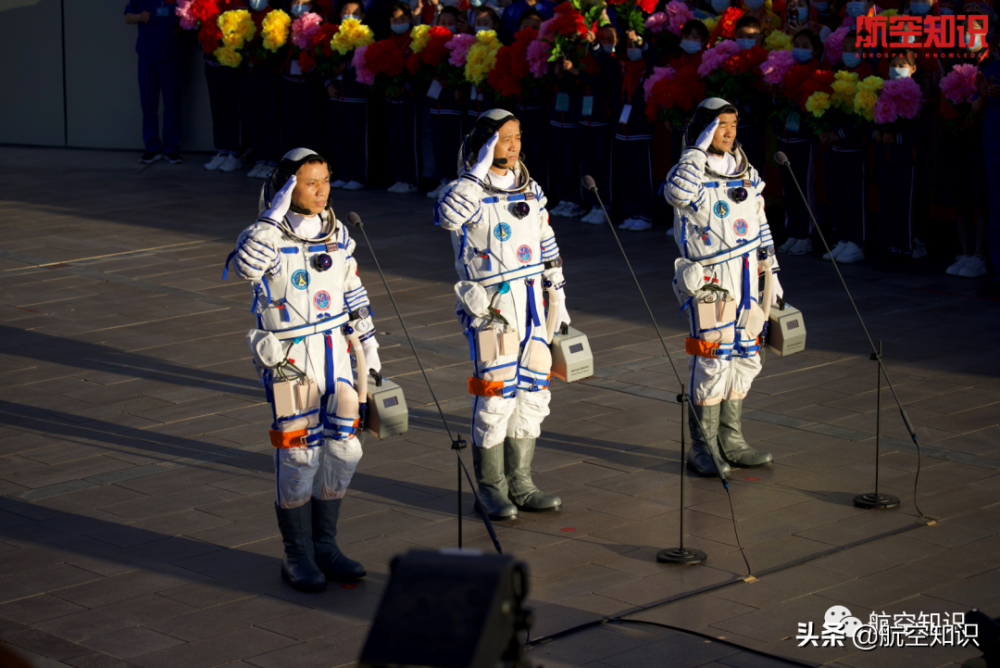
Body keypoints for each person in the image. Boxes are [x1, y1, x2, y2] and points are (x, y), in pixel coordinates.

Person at [227, 148, 381, 592]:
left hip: (336, 350)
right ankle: (296, 553)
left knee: (345, 448)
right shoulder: (267, 236)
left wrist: (370, 352)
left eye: (325, 180)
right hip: (291, 357)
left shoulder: (337, 234)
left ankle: (325, 545)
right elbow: (244, 268)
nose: (321, 191)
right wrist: (272, 219)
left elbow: (353, 292)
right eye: (310, 182)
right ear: (286, 188)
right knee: (298, 454)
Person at [435, 110, 568, 520]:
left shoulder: (529, 189)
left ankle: (521, 481)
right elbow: (448, 217)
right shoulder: (464, 190)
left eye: (515, 137)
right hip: (491, 306)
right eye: (502, 139)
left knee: (533, 390)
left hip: (532, 303)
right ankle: (491, 488)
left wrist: (558, 295)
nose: (511, 146)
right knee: (496, 393)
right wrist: (476, 170)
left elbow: (546, 240)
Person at [663, 99, 779, 478]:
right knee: (712, 358)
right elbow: (677, 196)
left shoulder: (745, 171)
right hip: (712, 277)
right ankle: (702, 446)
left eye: (732, 125)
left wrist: (771, 273)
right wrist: (696, 149)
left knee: (746, 356)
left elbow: (761, 224)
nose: (727, 132)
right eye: (719, 125)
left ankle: (731, 439)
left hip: (748, 275)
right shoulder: (691, 170)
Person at [818, 29, 870, 264]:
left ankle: (857, 242)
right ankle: (841, 238)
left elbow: (864, 115)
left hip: (853, 147)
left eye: (855, 50)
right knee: (835, 193)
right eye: (846, 49)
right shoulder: (839, 74)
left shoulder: (869, 77)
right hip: (833, 147)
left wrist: (840, 133)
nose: (850, 54)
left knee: (853, 196)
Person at [873, 48, 927, 269]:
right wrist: (875, 134)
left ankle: (906, 248)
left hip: (906, 158)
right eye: (893, 64)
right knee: (886, 202)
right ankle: (890, 247)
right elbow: (869, 120)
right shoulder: (879, 90)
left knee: (905, 205)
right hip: (884, 157)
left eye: (902, 65)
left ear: (913, 69)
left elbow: (922, 130)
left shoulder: (918, 94)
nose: (897, 69)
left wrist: (897, 137)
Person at [775, 28, 823, 255]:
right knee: (788, 187)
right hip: (785, 136)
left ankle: (807, 235)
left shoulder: (818, 72)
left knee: (804, 188)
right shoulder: (787, 68)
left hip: (804, 139)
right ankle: (792, 232)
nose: (799, 49)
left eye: (805, 45)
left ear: (815, 50)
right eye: (797, 44)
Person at [125, 0, 184, 165]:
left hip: (171, 58)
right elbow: (128, 17)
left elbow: (190, 18)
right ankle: (151, 148)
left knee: (172, 105)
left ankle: (171, 149)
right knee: (148, 105)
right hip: (147, 58)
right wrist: (139, 16)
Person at [326, 1, 370, 191]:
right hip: (337, 94)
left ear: (363, 16)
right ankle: (342, 174)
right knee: (338, 136)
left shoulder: (367, 36)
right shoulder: (332, 35)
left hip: (356, 95)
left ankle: (358, 176)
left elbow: (369, 62)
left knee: (357, 137)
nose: (349, 16)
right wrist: (327, 83)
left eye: (355, 13)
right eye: (346, 12)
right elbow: (322, 62)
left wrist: (348, 65)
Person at [244, 0, 284, 179]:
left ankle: (273, 160)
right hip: (248, 71)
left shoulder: (274, 17)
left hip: (268, 74)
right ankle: (259, 158)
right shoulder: (244, 16)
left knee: (270, 117)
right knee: (253, 116)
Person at [385, 2, 421, 194]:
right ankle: (398, 177)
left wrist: (403, 87)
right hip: (391, 98)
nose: (398, 23)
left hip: (408, 97)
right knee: (394, 138)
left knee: (408, 138)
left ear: (410, 19)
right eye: (394, 20)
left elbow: (419, 72)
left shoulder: (414, 41)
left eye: (402, 19)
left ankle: (411, 179)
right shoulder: (388, 41)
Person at [975, 59, 1000, 297]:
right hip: (993, 150)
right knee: (996, 215)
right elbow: (975, 110)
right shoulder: (991, 68)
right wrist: (983, 96)